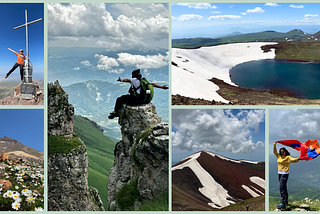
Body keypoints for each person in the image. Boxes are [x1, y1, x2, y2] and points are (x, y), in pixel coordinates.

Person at [273, 141, 300, 209]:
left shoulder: (288, 157)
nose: (282, 153)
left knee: (281, 187)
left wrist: (298, 158)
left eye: (283, 152)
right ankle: (285, 201)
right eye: (281, 152)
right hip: (279, 173)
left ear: (285, 152)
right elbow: (274, 152)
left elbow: (294, 160)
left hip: (284, 174)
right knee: (284, 187)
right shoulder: (279, 156)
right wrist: (274, 144)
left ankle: (283, 203)